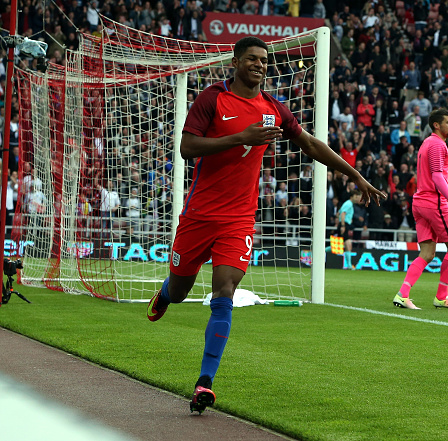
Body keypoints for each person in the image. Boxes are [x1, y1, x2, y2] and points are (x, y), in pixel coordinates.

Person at [145, 37, 386, 414]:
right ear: (236, 61)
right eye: (253, 59)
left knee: (224, 290)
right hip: (198, 215)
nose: (259, 65)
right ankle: (165, 293)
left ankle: (204, 382)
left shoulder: (273, 109)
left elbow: (310, 144)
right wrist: (241, 137)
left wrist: (355, 175)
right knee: (179, 290)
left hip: (238, 218)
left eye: (264, 60)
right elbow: (187, 148)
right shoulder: (212, 98)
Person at [392, 108, 448, 310]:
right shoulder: (437, 144)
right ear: (437, 125)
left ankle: (402, 295)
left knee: (427, 253)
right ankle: (442, 296)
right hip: (434, 202)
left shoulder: (426, 143)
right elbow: (437, 177)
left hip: (419, 202)